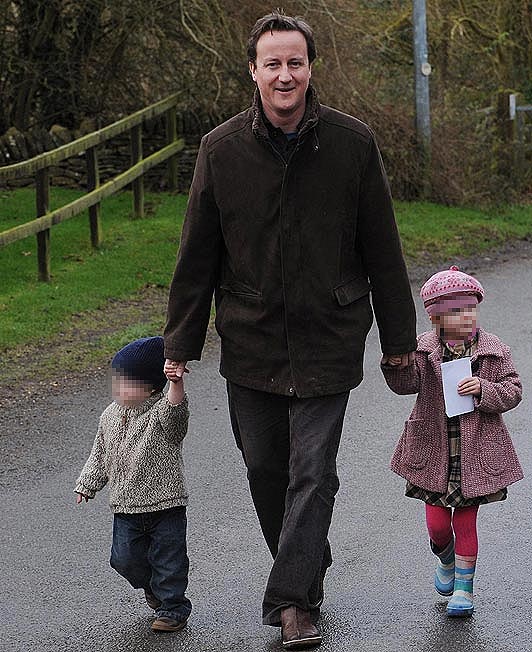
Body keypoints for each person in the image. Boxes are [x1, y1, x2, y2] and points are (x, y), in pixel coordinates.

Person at [164, 10, 417, 648]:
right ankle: (307, 565)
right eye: (272, 63)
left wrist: (398, 344)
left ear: (311, 69)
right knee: (263, 468)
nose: (285, 75)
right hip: (250, 337)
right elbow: (197, 254)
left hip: (330, 333)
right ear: (253, 71)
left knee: (315, 470)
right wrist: (180, 344)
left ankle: (290, 601)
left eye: (295, 63)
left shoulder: (353, 145)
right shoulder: (221, 150)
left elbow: (383, 251)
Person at [382, 266, 523, 617]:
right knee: (438, 525)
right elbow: (405, 384)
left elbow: (514, 390)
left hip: (474, 454)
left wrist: (484, 389)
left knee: (465, 522)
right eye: (456, 312)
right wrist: (395, 364)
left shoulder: (494, 351)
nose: (466, 317)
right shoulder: (425, 351)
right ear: (437, 318)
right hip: (434, 453)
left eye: (470, 309)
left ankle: (464, 590)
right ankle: (444, 557)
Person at [74, 336, 192, 633]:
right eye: (116, 381)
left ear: (151, 387)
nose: (118, 389)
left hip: (166, 505)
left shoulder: (161, 413)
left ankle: (173, 608)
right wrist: (87, 483)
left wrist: (176, 383)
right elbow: (99, 454)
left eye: (127, 383)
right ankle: (153, 588)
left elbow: (177, 412)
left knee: (169, 561)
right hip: (126, 506)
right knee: (123, 560)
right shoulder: (108, 416)